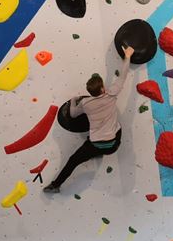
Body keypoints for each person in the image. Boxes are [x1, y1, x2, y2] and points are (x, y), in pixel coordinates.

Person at [43, 46, 134, 193]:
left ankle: (55, 185)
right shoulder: (111, 94)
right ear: (103, 89)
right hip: (113, 145)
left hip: (95, 145)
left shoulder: (85, 103)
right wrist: (128, 56)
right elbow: (122, 76)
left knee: (73, 161)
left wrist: (74, 100)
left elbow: (73, 114)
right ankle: (100, 151)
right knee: (117, 125)